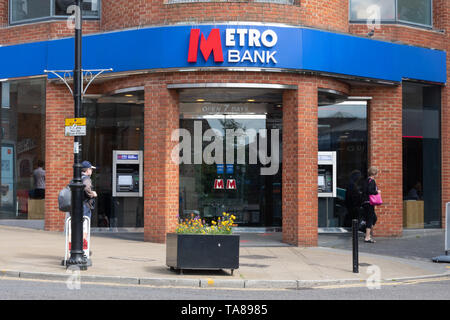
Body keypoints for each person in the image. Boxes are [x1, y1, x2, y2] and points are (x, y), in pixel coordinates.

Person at [362, 166, 380, 243]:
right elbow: (370, 191)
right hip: (370, 202)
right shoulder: (372, 181)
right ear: (374, 173)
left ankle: (367, 233)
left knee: (373, 218)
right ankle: (367, 237)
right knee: (370, 219)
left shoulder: (366, 180)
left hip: (365, 202)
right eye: (377, 173)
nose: (377, 175)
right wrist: (377, 192)